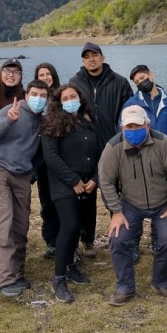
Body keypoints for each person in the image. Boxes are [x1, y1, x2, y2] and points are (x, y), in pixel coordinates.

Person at [98, 105, 167, 306]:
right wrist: (116, 211)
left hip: (162, 203)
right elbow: (106, 181)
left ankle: (161, 280)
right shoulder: (113, 148)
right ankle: (125, 286)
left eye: (138, 125)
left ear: (147, 126)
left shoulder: (163, 143)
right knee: (118, 239)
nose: (133, 129)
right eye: (129, 126)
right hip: (130, 204)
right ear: (122, 128)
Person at [0, 79, 50, 297]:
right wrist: (8, 121)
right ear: (27, 95)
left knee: (20, 224)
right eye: (35, 94)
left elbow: (39, 153)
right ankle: (3, 279)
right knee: (3, 223)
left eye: (43, 95)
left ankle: (17, 272)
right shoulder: (11, 110)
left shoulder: (42, 122)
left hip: (21, 174)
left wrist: (32, 174)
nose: (38, 99)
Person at [69, 42, 133, 257]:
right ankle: (86, 240)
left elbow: (129, 114)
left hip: (113, 146)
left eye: (94, 55)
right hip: (84, 146)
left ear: (102, 57)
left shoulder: (120, 83)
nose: (91, 59)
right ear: (82, 60)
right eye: (86, 56)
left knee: (118, 194)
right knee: (85, 195)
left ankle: (127, 240)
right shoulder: (75, 83)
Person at [41, 84, 102, 303]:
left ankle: (69, 266)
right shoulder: (52, 124)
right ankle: (58, 278)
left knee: (79, 226)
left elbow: (100, 154)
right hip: (63, 185)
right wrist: (73, 180)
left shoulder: (88, 123)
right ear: (59, 102)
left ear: (80, 98)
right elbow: (51, 158)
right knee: (69, 225)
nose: (70, 100)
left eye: (73, 96)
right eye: (65, 98)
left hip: (88, 184)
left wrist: (96, 178)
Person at [123, 64, 167, 260]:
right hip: (138, 158)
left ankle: (158, 238)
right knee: (137, 200)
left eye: (143, 77)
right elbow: (123, 130)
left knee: (163, 198)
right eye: (137, 82)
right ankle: (134, 242)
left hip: (164, 159)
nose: (141, 82)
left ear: (151, 74)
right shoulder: (132, 104)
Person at [33, 62, 62, 258]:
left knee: (62, 200)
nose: (45, 77)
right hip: (41, 160)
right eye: (41, 75)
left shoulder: (61, 98)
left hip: (60, 158)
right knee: (46, 201)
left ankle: (67, 240)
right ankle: (51, 242)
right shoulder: (34, 100)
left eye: (48, 74)